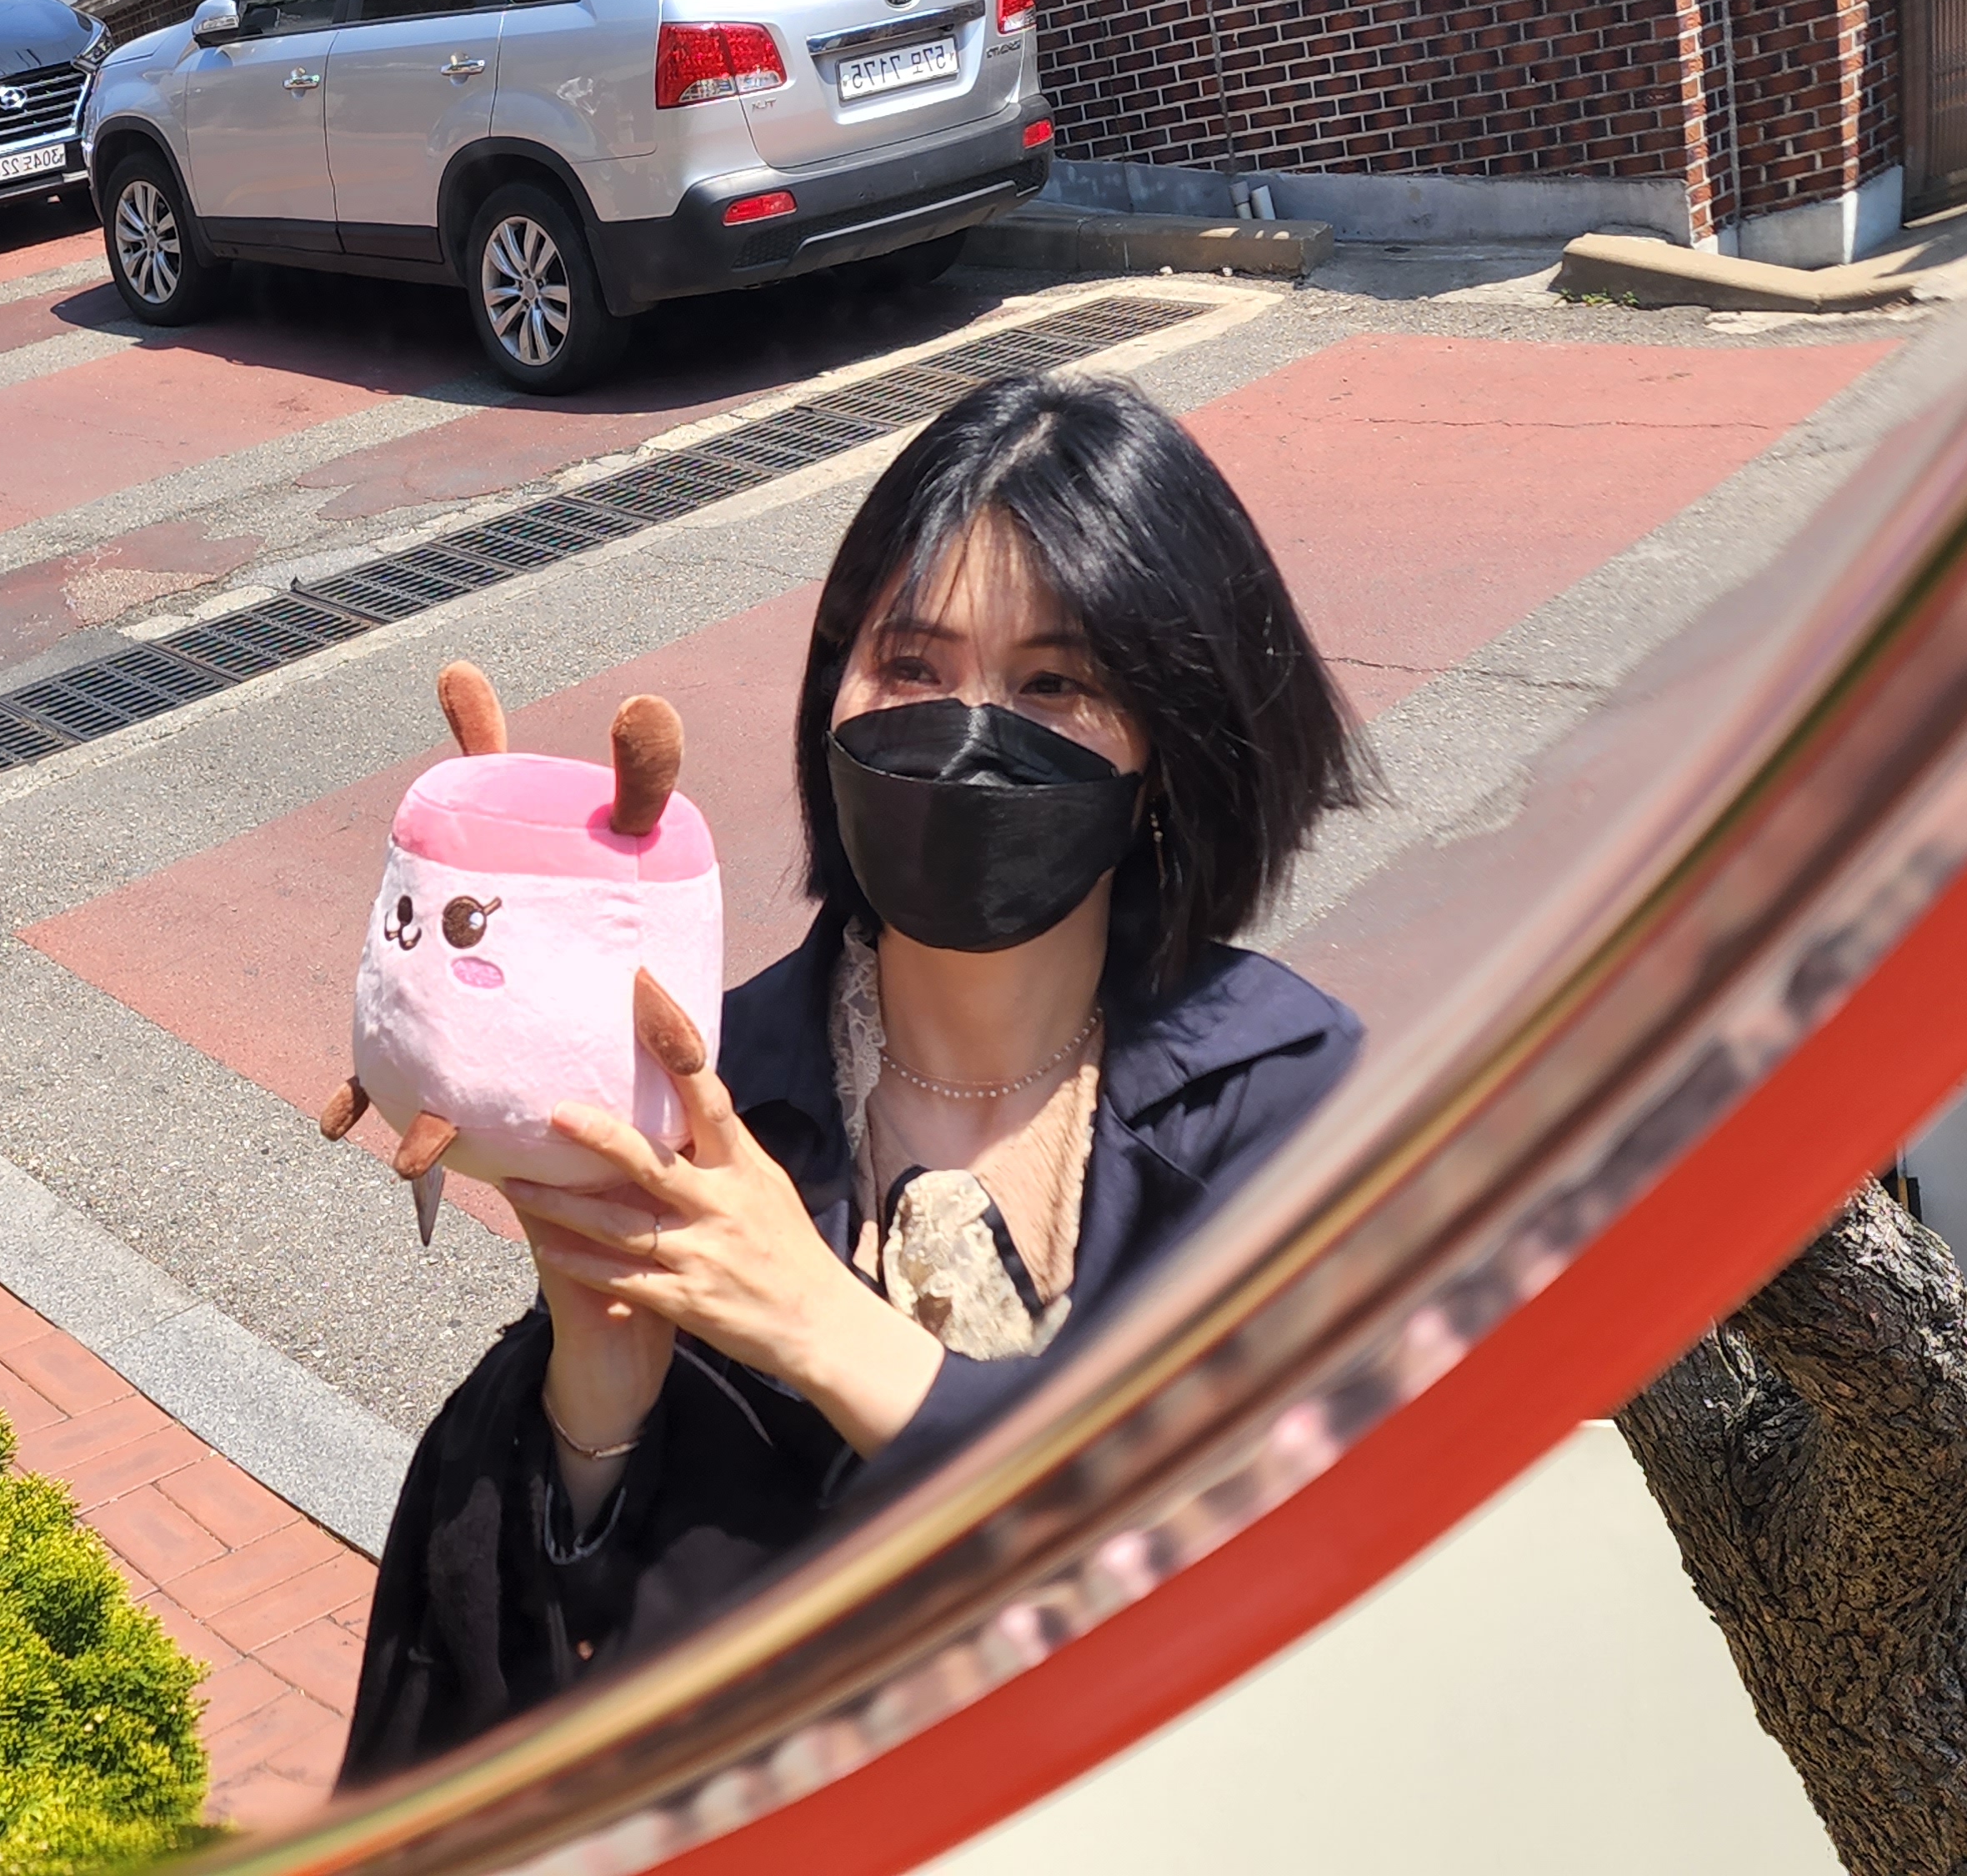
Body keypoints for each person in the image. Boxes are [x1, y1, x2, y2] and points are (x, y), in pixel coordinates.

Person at [340, 370, 1376, 1781]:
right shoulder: (702, 1098)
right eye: (911, 665)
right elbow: (572, 1660)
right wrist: (598, 1410)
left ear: (1168, 747)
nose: (965, 729)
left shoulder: (1283, 1102)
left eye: (1054, 684)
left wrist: (828, 1331)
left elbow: (1285, 1598)